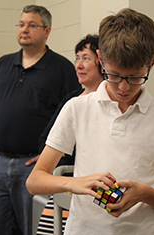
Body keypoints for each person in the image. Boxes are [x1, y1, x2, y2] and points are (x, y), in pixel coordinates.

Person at [26, 8, 154, 235]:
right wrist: (76, 183)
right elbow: (35, 181)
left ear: (152, 64)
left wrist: (144, 193)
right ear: (101, 60)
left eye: (135, 77)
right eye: (113, 75)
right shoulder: (77, 108)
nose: (124, 87)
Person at [0, 5, 81, 235]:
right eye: (21, 24)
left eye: (32, 25)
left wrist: (48, 157)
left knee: (32, 229)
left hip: (34, 169)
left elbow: (74, 120)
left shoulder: (62, 69)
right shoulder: (3, 64)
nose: (24, 29)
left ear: (47, 31)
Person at [36, 34, 103, 234]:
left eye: (86, 58)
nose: (79, 65)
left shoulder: (108, 104)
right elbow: (44, 142)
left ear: (102, 62)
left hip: (93, 193)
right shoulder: (71, 100)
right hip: (64, 186)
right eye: (77, 58)